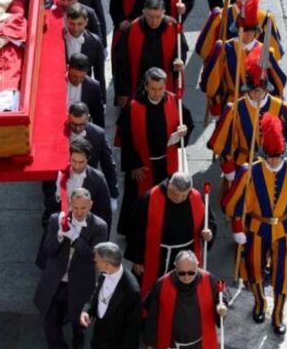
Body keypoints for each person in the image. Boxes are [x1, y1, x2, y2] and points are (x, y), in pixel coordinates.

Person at [225, 114, 287, 334]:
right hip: (257, 228)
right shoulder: (250, 172)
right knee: (254, 267)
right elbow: (238, 200)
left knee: (283, 273)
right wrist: (238, 226)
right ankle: (259, 302)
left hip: (285, 229)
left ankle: (278, 314)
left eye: (277, 156)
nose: (273, 161)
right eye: (270, 157)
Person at [208, 46, 287, 181]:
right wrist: (229, 167)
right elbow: (226, 142)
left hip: (271, 164)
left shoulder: (280, 107)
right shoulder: (234, 109)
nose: (256, 94)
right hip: (242, 163)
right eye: (253, 91)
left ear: (266, 89)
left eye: (260, 90)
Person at [35, 188, 109, 349]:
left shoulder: (99, 227)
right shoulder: (55, 220)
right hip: (56, 282)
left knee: (77, 318)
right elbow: (48, 251)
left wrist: (75, 238)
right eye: (75, 207)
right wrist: (60, 235)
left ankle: (78, 335)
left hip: (80, 283)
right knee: (50, 321)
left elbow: (94, 257)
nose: (79, 212)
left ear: (90, 205)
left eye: (83, 207)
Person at [115, 68, 194, 235]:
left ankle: (162, 229)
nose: (157, 93)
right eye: (153, 89)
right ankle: (136, 231)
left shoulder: (174, 101)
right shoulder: (133, 106)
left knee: (165, 199)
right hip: (142, 165)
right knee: (138, 200)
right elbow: (126, 137)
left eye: (160, 89)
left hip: (166, 162)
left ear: (165, 86)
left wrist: (184, 129)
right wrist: (134, 165)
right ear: (145, 86)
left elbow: (187, 120)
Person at [143, 251, 225, 349]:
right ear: (175, 268)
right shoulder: (163, 283)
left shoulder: (209, 280)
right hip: (172, 346)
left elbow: (221, 298)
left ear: (197, 266)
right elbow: (152, 311)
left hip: (198, 346)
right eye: (181, 273)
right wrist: (150, 338)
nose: (186, 276)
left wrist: (221, 308)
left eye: (191, 273)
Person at [126, 173, 215, 296]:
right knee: (153, 291)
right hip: (158, 255)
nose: (179, 199)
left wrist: (208, 232)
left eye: (184, 196)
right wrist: (137, 259)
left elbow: (209, 221)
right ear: (169, 185)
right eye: (175, 194)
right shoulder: (150, 197)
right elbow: (136, 229)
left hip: (186, 253)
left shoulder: (196, 197)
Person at [80, 242, 142, 349]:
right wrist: (87, 310)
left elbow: (133, 329)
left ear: (107, 263)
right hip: (100, 341)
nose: (94, 261)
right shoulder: (104, 273)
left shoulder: (131, 290)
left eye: (97, 259)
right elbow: (96, 295)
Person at [198, 6, 285, 116]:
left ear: (256, 32)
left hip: (255, 106)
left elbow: (277, 82)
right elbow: (213, 79)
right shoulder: (224, 49)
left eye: (251, 31)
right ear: (238, 30)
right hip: (231, 102)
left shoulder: (265, 52)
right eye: (244, 31)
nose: (247, 34)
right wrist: (216, 102)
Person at [112, 0, 187, 106]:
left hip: (163, 86)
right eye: (150, 16)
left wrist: (179, 61)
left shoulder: (173, 27)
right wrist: (122, 91)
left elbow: (181, 50)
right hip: (137, 85)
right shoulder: (132, 29)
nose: (154, 21)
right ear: (143, 12)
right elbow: (121, 62)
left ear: (164, 13)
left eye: (158, 17)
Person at [44, 139, 114, 230]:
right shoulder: (58, 174)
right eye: (74, 161)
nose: (77, 166)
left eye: (81, 162)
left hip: (85, 232)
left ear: (88, 159)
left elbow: (104, 214)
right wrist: (58, 193)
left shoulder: (98, 180)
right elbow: (48, 206)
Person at [65, 102, 120, 205]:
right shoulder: (59, 133)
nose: (77, 129)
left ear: (88, 118)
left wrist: (113, 194)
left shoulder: (98, 135)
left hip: (87, 188)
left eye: (81, 124)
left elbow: (108, 165)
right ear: (68, 117)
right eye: (73, 124)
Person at [64, 4, 106, 83]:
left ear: (86, 22)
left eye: (79, 24)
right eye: (72, 23)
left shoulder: (95, 42)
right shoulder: (59, 39)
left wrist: (101, 95)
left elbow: (99, 75)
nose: (75, 29)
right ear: (66, 21)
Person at [66, 53, 106, 129]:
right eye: (74, 76)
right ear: (68, 68)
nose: (77, 81)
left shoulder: (94, 87)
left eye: (82, 77)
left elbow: (98, 117)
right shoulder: (57, 82)